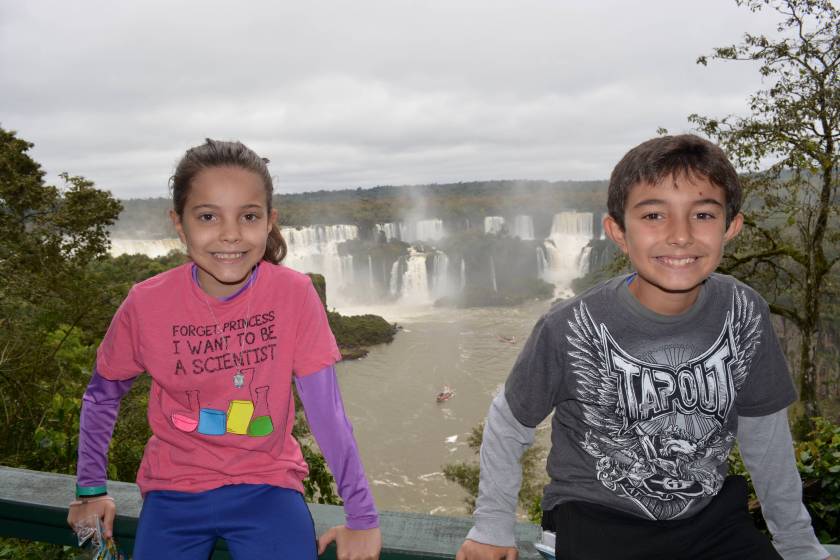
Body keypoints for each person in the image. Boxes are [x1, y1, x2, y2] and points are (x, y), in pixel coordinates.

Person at [456, 135, 833, 560]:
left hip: (710, 520)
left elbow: (766, 440)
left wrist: (798, 544)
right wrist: (492, 526)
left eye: (703, 214)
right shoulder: (570, 326)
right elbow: (509, 423)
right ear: (618, 231)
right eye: (654, 214)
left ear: (731, 226)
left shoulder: (744, 311)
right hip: (595, 518)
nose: (680, 236)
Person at [67, 139, 381, 560]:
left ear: (269, 222)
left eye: (248, 216)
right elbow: (103, 394)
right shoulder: (147, 303)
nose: (230, 234)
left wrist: (361, 516)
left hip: (268, 485)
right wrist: (90, 489)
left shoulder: (294, 294)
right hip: (172, 490)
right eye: (208, 216)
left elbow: (327, 411)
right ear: (179, 223)